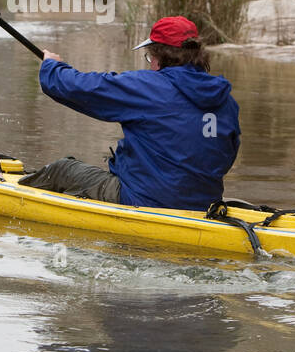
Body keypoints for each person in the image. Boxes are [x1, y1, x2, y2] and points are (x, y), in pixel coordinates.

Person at [18, 16, 240, 209]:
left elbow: (80, 88)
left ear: (160, 57)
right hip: (205, 204)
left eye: (150, 57)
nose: (150, 64)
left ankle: (1, 184)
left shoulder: (147, 87)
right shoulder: (225, 100)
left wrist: (51, 67)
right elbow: (225, 157)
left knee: (62, 170)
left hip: (145, 200)